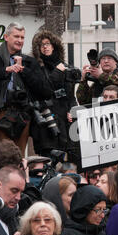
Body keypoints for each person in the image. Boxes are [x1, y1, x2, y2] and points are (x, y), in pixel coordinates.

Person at [0, 22, 50, 155]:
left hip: (22, 115)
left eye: (22, 37)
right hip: (0, 112)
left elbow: (44, 90)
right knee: (0, 154)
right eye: (16, 36)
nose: (20, 40)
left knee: (19, 156)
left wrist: (24, 71)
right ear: (6, 37)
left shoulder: (30, 62)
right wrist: (7, 70)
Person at [30, 29, 77, 158]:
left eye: (48, 44)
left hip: (65, 123)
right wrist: (57, 72)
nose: (45, 47)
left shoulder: (64, 66)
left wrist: (72, 109)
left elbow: (71, 95)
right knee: (48, 159)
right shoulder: (35, 67)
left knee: (67, 162)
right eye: (42, 45)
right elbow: (42, 89)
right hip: (47, 122)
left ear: (54, 46)